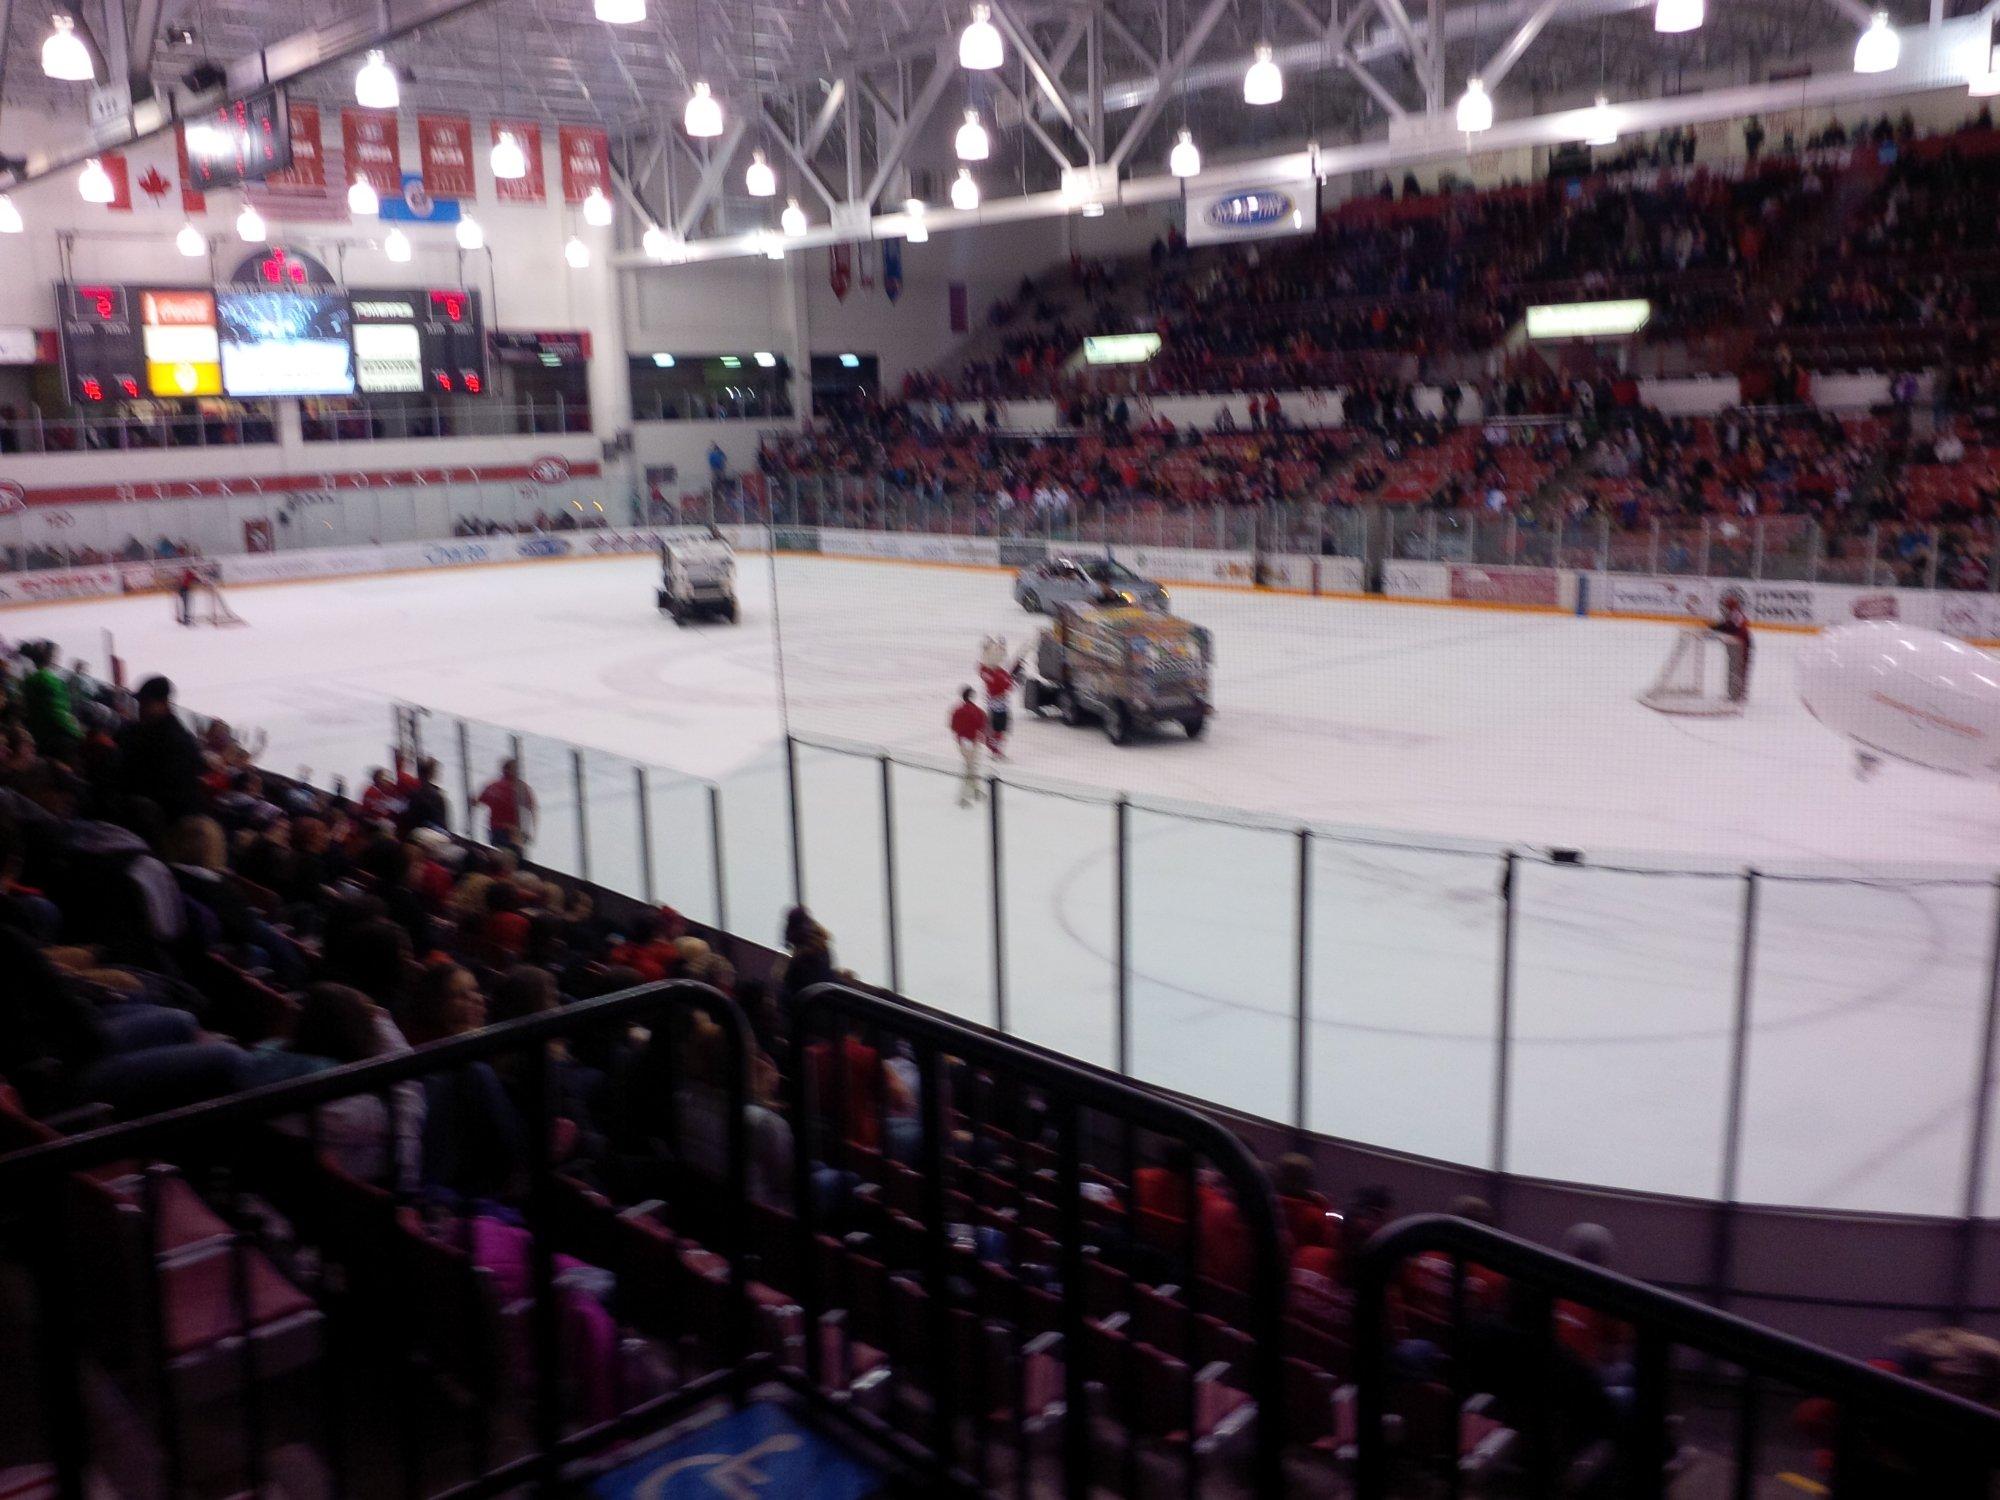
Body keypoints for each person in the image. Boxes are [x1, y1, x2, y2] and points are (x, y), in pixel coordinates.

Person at [115, 676, 205, 819]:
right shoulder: (139, 730)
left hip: (163, 819)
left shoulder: (177, 740)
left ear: (164, 703)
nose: (140, 708)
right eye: (140, 703)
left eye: (146, 703)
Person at [474, 757, 537, 856]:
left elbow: (475, 802)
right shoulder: (521, 788)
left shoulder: (492, 786)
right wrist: (531, 832)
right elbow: (533, 810)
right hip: (512, 833)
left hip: (495, 831)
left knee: (499, 857)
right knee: (515, 859)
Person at [976, 637, 1023, 761]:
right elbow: (1011, 686)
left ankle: (993, 747)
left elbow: (982, 667)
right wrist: (1017, 673)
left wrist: (987, 650)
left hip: (991, 703)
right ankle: (996, 751)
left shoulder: (985, 671)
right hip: (1001, 705)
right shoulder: (999, 675)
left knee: (994, 727)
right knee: (1000, 730)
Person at [950, 686, 988, 807]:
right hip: (973, 742)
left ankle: (976, 790)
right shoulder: (977, 711)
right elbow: (982, 725)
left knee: (971, 767)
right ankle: (963, 797)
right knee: (970, 768)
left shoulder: (957, 710)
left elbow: (953, 726)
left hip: (962, 742)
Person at [1712, 592, 1752, 704]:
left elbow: (1731, 628)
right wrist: (1713, 627)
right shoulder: (1732, 615)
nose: (1724, 608)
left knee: (1739, 669)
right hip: (1735, 646)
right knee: (1733, 668)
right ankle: (1733, 693)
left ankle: (1739, 695)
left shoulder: (1736, 614)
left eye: (1726, 606)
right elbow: (1726, 626)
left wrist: (1715, 628)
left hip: (1742, 646)